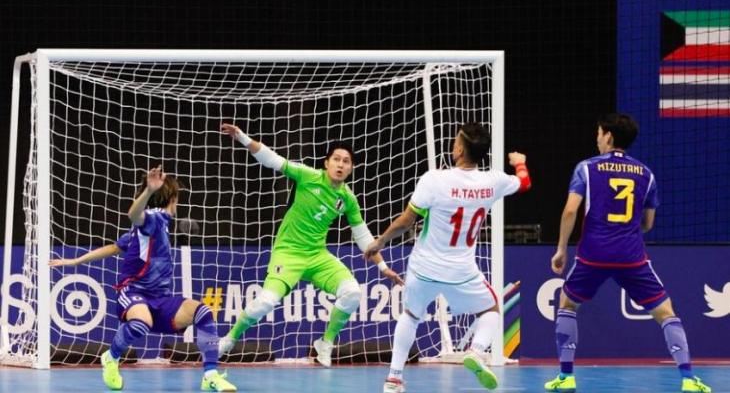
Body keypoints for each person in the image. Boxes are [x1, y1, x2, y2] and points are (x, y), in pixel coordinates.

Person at [544, 113, 711, 393]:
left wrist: (561, 249)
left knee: (567, 305)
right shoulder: (647, 174)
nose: (597, 139)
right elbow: (647, 223)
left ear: (608, 136)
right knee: (666, 313)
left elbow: (571, 210)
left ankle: (566, 376)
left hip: (592, 255)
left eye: (599, 134)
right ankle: (688, 379)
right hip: (632, 256)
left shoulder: (586, 168)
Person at [218, 123, 404, 367]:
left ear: (351, 168)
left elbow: (363, 237)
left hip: (317, 256)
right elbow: (273, 159)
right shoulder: (308, 176)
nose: (340, 164)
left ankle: (325, 343)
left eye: (346, 161)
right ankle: (228, 341)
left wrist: (383, 268)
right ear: (326, 163)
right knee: (265, 302)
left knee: (352, 292)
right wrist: (242, 137)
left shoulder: (347, 199)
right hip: (288, 253)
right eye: (336, 159)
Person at [364, 123, 532, 393]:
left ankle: (394, 378)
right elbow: (524, 183)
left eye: (456, 141)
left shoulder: (434, 179)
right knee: (491, 310)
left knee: (410, 314)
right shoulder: (494, 181)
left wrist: (379, 242)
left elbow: (407, 221)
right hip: (461, 272)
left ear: (459, 149)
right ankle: (477, 351)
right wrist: (520, 163)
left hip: (424, 268)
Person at [50, 165, 236, 392]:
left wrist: (76, 261)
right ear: (173, 198)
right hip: (133, 293)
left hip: (160, 299)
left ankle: (210, 375)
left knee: (203, 312)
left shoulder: (155, 229)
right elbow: (134, 215)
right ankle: (111, 356)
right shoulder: (154, 220)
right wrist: (148, 191)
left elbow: (114, 247)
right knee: (141, 322)